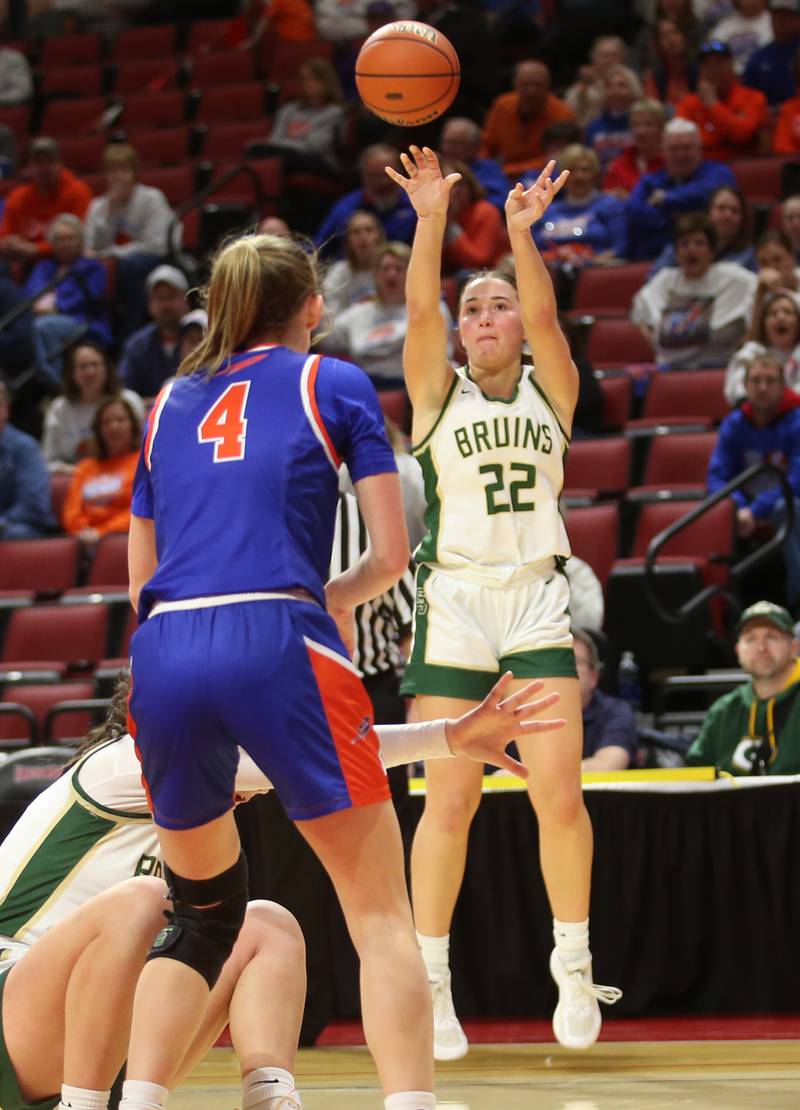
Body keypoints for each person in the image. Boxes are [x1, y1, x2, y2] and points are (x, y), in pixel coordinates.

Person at [119, 230, 487, 1110]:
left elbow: (139, 584)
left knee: (201, 917)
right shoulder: (332, 382)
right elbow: (393, 556)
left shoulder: (167, 402)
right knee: (381, 918)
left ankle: (137, 1101)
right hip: (278, 630)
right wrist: (329, 595)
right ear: (313, 309)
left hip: (165, 647)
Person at [0, 668, 559, 1110]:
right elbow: (301, 761)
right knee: (142, 903)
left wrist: (452, 738)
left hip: (92, 1043)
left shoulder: (198, 811)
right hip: (14, 1008)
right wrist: (446, 736)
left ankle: (269, 1097)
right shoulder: (123, 765)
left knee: (267, 926)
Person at [386, 145, 621, 1063]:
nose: (481, 315)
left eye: (496, 305)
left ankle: (572, 959)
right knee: (451, 801)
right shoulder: (435, 393)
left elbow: (549, 316)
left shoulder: (551, 388)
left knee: (557, 794)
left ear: (517, 325)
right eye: (470, 306)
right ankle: (432, 982)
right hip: (455, 606)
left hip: (532, 604)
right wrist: (432, 217)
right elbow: (416, 307)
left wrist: (521, 236)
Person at [707, 353, 800, 607]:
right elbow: (716, 477)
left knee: (787, 509)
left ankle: (797, 606)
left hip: (788, 506)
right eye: (756, 380)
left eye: (770, 381)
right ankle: (721, 611)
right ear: (745, 386)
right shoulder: (734, 424)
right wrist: (738, 507)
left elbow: (796, 480)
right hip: (745, 510)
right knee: (716, 511)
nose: (762, 387)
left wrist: (756, 509)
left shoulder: (797, 419)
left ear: (783, 386)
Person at [631, 212, 758, 370]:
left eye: (699, 243)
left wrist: (744, 342)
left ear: (712, 251)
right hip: (669, 370)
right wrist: (657, 346)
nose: (691, 250)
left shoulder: (733, 277)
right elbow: (639, 310)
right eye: (684, 244)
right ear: (676, 253)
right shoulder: (664, 280)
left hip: (718, 368)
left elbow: (762, 293)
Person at [321, 241, 453, 391]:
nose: (391, 274)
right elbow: (326, 338)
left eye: (399, 269)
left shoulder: (432, 308)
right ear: (376, 276)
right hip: (369, 388)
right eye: (385, 269)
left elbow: (442, 355)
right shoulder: (359, 312)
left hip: (417, 390)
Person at [686, 601, 800, 773]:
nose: (761, 648)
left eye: (772, 637)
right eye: (751, 639)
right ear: (738, 651)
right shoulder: (724, 711)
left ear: (794, 648)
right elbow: (695, 775)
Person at [84, 144, 176, 338]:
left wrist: (110, 253)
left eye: (123, 170)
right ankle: (97, 331)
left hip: (152, 262)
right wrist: (109, 212)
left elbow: (156, 246)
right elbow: (91, 246)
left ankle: (131, 332)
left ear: (134, 173)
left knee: (129, 266)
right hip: (114, 267)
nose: (118, 177)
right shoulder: (99, 206)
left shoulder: (152, 198)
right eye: (112, 171)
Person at [625, 118, 737, 261]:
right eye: (674, 148)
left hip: (711, 257)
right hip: (654, 257)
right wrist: (673, 219)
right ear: (663, 151)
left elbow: (707, 191)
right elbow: (635, 212)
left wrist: (667, 199)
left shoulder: (719, 172)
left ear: (699, 148)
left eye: (687, 148)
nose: (680, 154)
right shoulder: (650, 181)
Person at [23, 213, 112, 385]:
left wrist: (57, 306)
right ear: (52, 243)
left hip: (83, 321)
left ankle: (57, 384)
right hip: (43, 317)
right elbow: (32, 295)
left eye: (70, 238)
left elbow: (89, 297)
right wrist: (44, 306)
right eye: (60, 239)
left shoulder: (93, 266)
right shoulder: (45, 266)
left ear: (80, 240)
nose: (65, 243)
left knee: (43, 326)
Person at [42, 341, 145, 473]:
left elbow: (145, 449)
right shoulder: (59, 409)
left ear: (106, 368)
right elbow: (48, 461)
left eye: (95, 365)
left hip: (127, 472)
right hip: (75, 475)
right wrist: (83, 472)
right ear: (71, 372)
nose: (90, 372)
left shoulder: (129, 400)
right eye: (83, 366)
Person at [61, 395, 141, 547]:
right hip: (84, 541)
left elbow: (140, 510)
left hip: (125, 540)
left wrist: (102, 532)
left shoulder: (143, 462)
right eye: (106, 422)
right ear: (99, 430)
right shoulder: (85, 467)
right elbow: (71, 511)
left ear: (133, 425)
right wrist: (83, 530)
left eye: (120, 420)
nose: (113, 427)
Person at [0, 138, 92, 264]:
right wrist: (8, 243)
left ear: (60, 163)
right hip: (21, 261)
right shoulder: (19, 197)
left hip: (61, 261)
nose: (44, 168)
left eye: (49, 162)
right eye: (39, 163)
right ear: (30, 167)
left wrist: (36, 249)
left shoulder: (77, 192)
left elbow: (78, 239)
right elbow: (3, 234)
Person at [531, 144, 627, 265]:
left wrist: (590, 262)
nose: (579, 176)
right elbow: (532, 248)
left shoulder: (610, 205)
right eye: (572, 170)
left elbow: (620, 248)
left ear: (595, 175)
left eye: (585, 170)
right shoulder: (548, 210)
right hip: (549, 271)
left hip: (594, 273)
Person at [313, 144, 415, 258]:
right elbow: (318, 247)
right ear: (363, 175)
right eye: (375, 176)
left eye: (388, 175)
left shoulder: (414, 204)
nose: (383, 182)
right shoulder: (346, 208)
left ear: (401, 172)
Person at [675, 38, 768, 161]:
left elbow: (741, 135)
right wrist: (726, 130)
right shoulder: (688, 104)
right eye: (707, 65)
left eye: (718, 64)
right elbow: (682, 143)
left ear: (731, 66)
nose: (713, 71)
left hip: (742, 169)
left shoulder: (753, 97)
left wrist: (712, 104)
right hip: (702, 170)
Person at [480, 60, 575, 180]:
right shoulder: (502, 105)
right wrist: (485, 168)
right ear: (515, 84)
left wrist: (509, 170)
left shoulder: (562, 112)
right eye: (525, 84)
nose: (532, 91)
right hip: (501, 177)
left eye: (538, 85)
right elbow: (487, 145)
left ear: (548, 86)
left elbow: (561, 156)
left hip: (544, 177)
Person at [648, 184, 757, 277]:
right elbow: (653, 279)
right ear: (709, 213)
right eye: (721, 208)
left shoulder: (748, 254)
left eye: (735, 210)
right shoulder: (684, 243)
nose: (728, 215)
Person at [261, 58, 345, 178]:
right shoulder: (288, 110)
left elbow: (315, 147)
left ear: (327, 82)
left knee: (281, 158)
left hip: (319, 163)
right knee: (258, 151)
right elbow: (274, 140)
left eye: (314, 78)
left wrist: (283, 146)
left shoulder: (334, 112)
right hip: (287, 158)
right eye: (304, 79)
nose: (308, 84)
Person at [117, 265, 188, 401]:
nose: (166, 305)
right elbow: (125, 395)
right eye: (160, 298)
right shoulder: (137, 345)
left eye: (172, 296)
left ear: (186, 299)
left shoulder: (202, 338)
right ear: (150, 303)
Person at [573, 628, 637, 771]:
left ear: (593, 677)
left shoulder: (616, 711)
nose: (560, 670)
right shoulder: (522, 711)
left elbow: (607, 767)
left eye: (571, 661)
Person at [0, 380, 55, 539]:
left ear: (5, 409)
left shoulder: (25, 447)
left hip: (17, 528)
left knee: (16, 533)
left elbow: (33, 505)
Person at [725, 290, 800, 403]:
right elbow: (736, 391)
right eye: (773, 313)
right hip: (755, 414)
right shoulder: (751, 352)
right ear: (764, 323)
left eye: (788, 312)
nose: (780, 317)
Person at [438, 158, 508, 277]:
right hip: (458, 277)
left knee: (465, 275)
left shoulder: (486, 211)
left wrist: (450, 226)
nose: (454, 191)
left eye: (459, 185)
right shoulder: (439, 215)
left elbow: (479, 262)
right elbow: (440, 264)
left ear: (470, 186)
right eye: (449, 186)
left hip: (494, 273)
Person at [321, 209, 384, 316]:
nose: (363, 237)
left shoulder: (391, 269)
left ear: (378, 235)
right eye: (356, 232)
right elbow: (329, 316)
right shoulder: (339, 272)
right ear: (348, 240)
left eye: (369, 230)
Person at [439, 117, 510, 211]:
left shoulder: (489, 169)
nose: (447, 148)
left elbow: (501, 203)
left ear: (474, 146)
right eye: (445, 142)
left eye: (454, 143)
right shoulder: (437, 168)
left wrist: (471, 195)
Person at [584, 64, 643, 175]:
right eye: (610, 86)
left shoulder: (643, 123)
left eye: (621, 86)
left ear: (633, 90)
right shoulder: (594, 127)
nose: (615, 91)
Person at [742, 0, 800, 107]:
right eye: (778, 16)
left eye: (788, 16)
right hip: (769, 115)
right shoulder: (759, 58)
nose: (782, 21)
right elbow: (748, 97)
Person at [564, 34, 627, 127]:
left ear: (622, 59)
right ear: (594, 59)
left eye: (614, 55)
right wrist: (584, 88)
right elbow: (569, 115)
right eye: (604, 56)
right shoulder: (580, 88)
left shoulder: (630, 84)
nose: (609, 60)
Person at [642, 15, 699, 107]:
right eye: (664, 36)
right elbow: (652, 110)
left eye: (675, 33)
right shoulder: (653, 76)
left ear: (684, 37)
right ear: (658, 44)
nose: (671, 40)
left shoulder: (700, 71)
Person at [711, 0, 774, 73]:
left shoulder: (774, 22)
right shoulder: (724, 26)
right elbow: (713, 55)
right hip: (731, 77)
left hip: (763, 75)